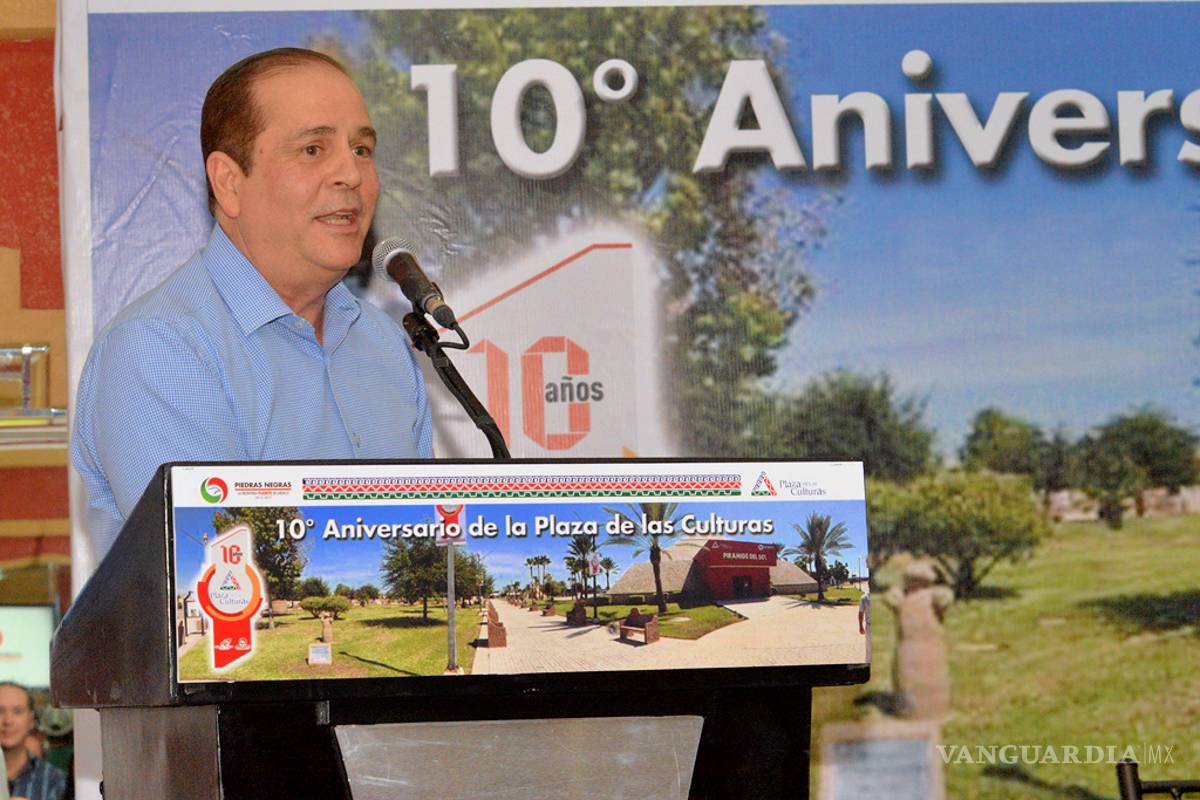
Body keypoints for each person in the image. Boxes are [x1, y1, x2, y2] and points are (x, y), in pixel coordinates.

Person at [72, 48, 433, 557]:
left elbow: (430, 548)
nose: (350, 175)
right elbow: (216, 573)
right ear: (228, 182)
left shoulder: (386, 347)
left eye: (361, 150)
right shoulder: (159, 350)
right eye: (313, 150)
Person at [1, 683, 66, 800]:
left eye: (17, 711)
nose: (8, 721)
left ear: (31, 719)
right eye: (0, 711)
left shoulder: (54, 780)